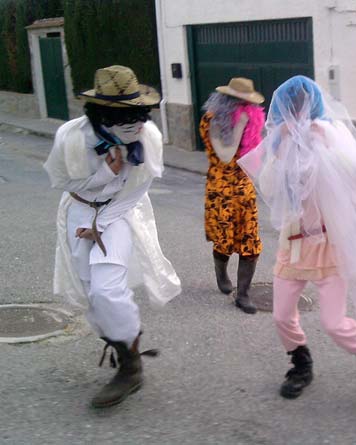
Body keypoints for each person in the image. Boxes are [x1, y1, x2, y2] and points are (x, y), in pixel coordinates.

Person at [238, 75, 356, 401]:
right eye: (291, 106)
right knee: (280, 315)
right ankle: (301, 363)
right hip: (293, 243)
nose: (296, 112)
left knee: (334, 322)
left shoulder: (330, 131)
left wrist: (326, 147)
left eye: (301, 105)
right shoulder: (279, 140)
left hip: (330, 243)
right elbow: (271, 189)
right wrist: (279, 152)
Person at [43, 65, 181, 408]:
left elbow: (136, 191)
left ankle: (131, 366)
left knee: (108, 288)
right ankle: (122, 348)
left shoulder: (147, 137)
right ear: (101, 114)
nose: (136, 125)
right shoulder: (70, 138)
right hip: (78, 210)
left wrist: (101, 224)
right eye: (124, 117)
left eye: (138, 115)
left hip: (118, 213)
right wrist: (105, 172)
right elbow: (61, 182)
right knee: (92, 294)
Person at [200, 78, 265, 314]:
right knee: (225, 239)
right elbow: (226, 155)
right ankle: (221, 273)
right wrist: (239, 126)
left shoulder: (249, 117)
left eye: (247, 103)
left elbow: (253, 152)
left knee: (250, 240)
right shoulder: (213, 120)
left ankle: (244, 294)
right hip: (221, 187)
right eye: (239, 102)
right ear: (227, 100)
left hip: (243, 185)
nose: (243, 107)